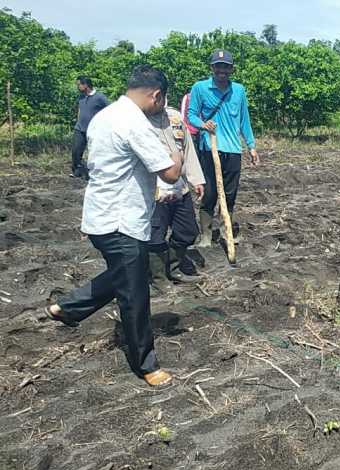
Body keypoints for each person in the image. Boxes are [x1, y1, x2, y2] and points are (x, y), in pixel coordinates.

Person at [44, 65, 183, 386]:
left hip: (100, 217)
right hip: (122, 221)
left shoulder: (104, 116)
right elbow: (171, 173)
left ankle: (66, 308)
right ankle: (146, 365)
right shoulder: (135, 123)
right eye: (162, 102)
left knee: (123, 275)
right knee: (134, 295)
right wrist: (173, 137)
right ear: (157, 96)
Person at [187, 49, 259, 247]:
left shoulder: (239, 90)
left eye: (226, 67)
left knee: (229, 194)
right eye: (219, 66)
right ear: (212, 68)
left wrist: (251, 146)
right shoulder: (200, 88)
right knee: (209, 194)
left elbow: (245, 120)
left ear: (231, 69)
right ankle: (206, 236)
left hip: (233, 150)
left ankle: (227, 230)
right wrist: (203, 124)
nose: (222, 70)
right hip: (209, 148)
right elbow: (191, 115)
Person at [147, 103, 206, 284]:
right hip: (153, 188)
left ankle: (174, 267)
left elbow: (187, 149)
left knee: (187, 230)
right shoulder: (136, 120)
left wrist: (196, 178)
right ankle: (158, 278)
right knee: (155, 236)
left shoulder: (175, 117)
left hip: (179, 186)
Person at [72, 76, 110, 180]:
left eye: (79, 84)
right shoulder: (81, 97)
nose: (77, 87)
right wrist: (78, 120)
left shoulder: (99, 97)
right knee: (76, 151)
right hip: (79, 128)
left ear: (85, 85)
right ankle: (77, 172)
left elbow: (110, 109)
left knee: (94, 152)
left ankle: (93, 173)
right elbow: (80, 110)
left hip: (94, 130)